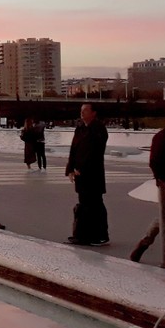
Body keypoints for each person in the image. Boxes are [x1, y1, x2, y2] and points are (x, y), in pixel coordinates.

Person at [130, 106, 165, 265]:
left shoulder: (161, 136)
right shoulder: (163, 137)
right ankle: (145, 242)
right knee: (164, 217)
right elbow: (154, 161)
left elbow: (153, 160)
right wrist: (159, 178)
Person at [65, 103, 109, 246]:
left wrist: (81, 168)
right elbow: (74, 150)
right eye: (81, 110)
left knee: (95, 204)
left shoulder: (98, 129)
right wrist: (70, 168)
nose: (82, 113)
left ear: (94, 113)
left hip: (93, 173)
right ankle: (82, 234)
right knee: (84, 203)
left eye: (85, 110)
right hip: (80, 173)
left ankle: (100, 236)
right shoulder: (80, 128)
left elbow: (95, 152)